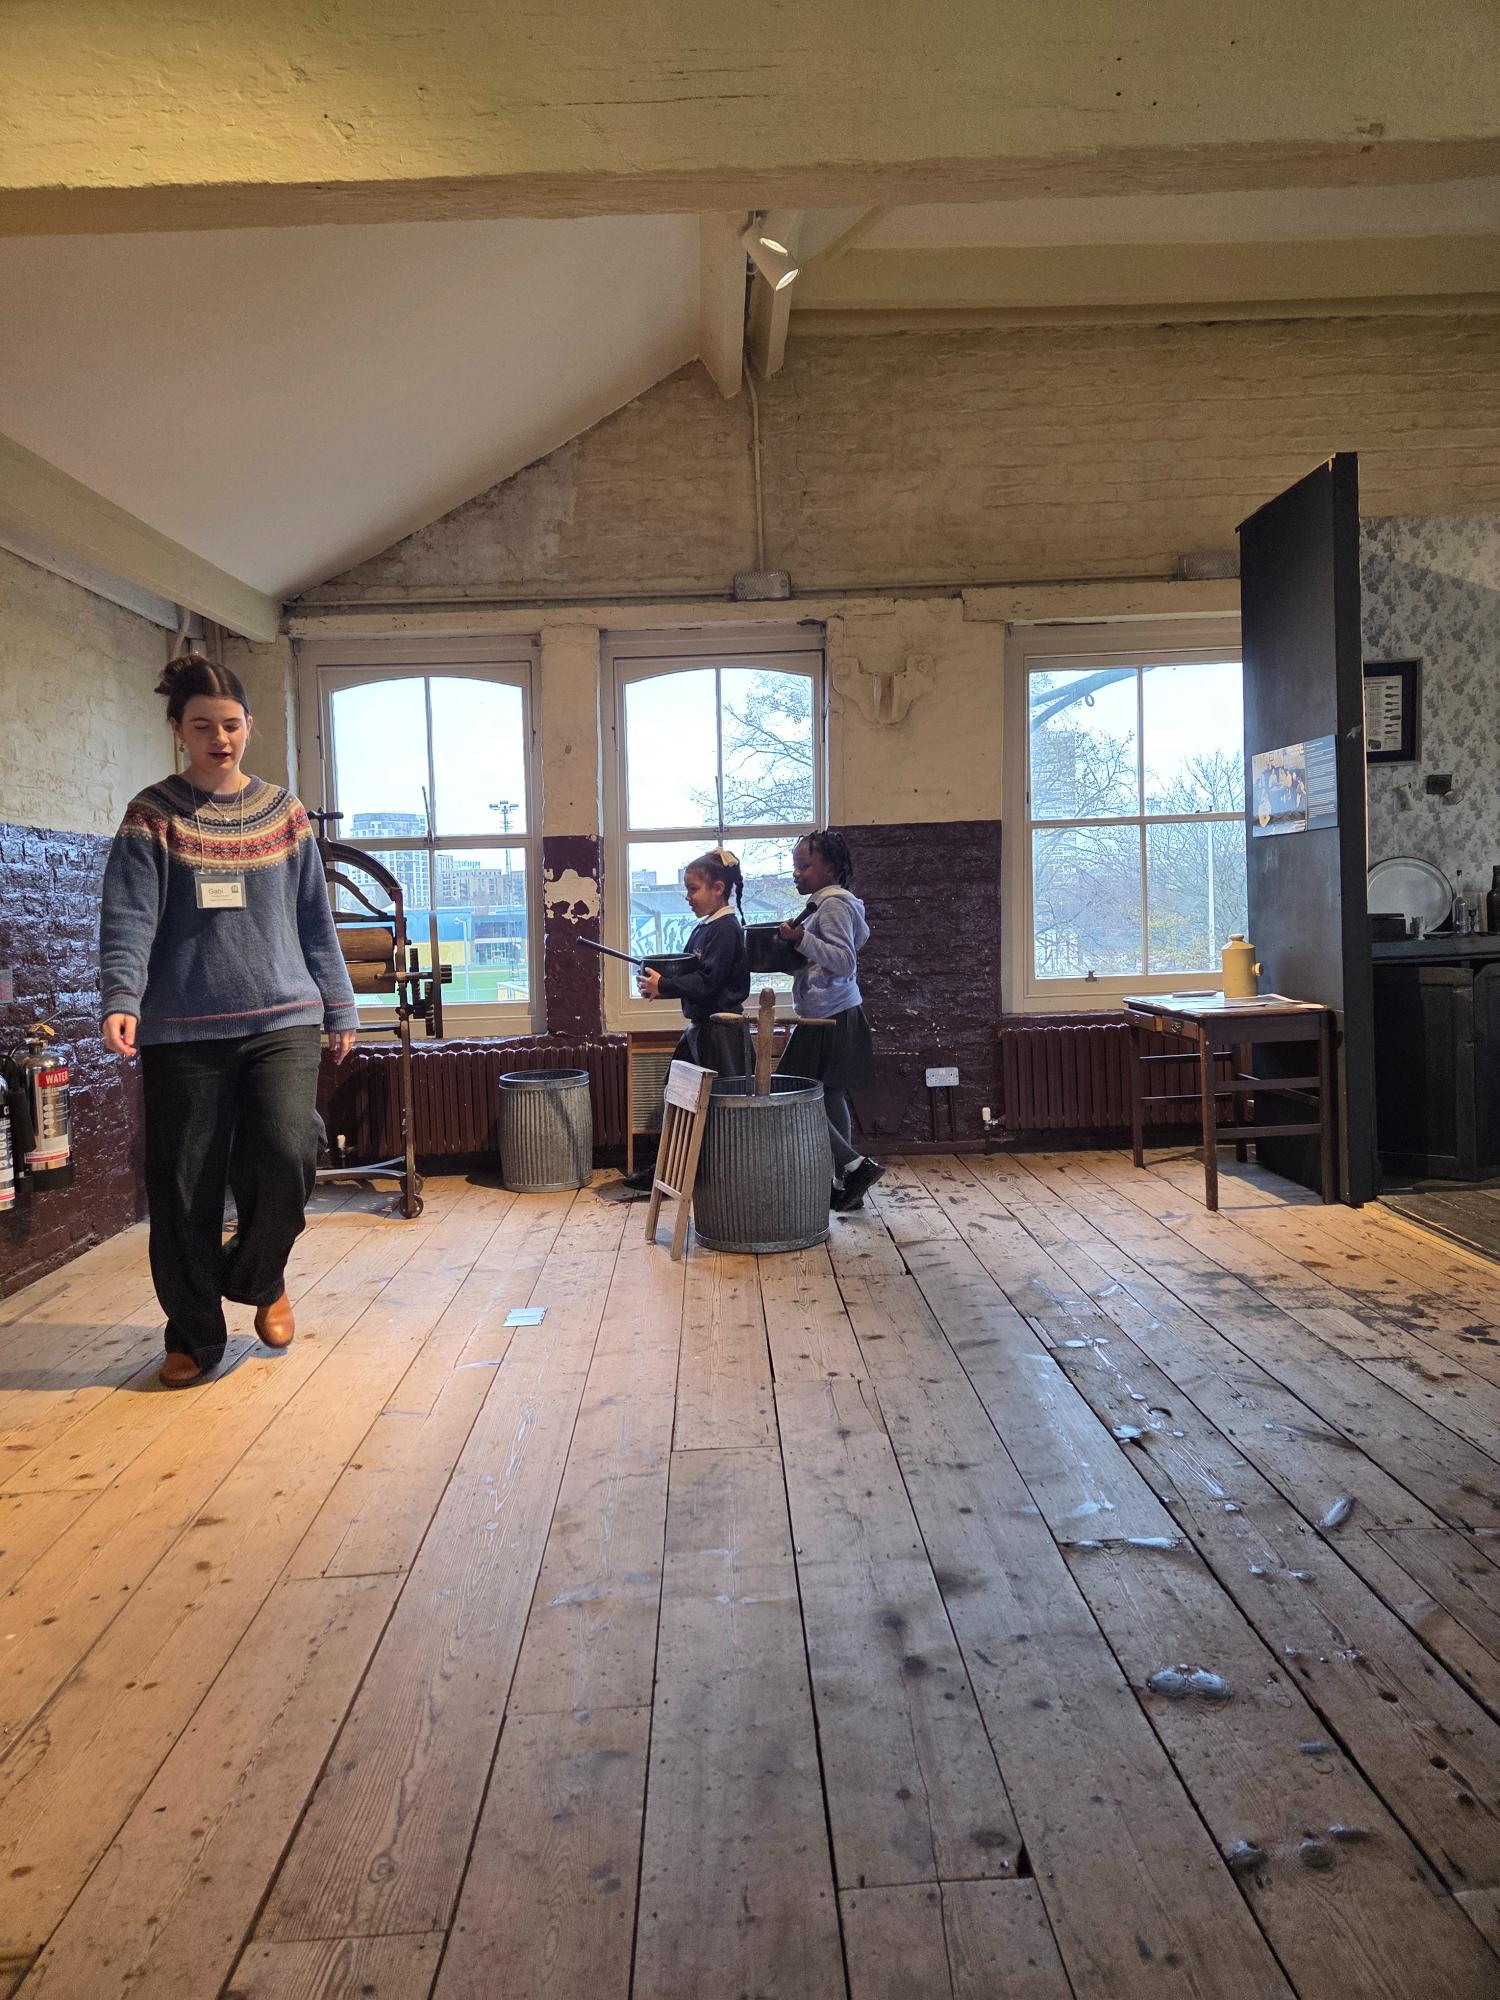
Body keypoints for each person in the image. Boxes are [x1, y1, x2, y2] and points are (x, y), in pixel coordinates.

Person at [99, 651, 359, 1388]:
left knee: (288, 1149)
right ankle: (193, 1333)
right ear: (177, 728)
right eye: (203, 726)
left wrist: (340, 1001)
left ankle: (259, 1275)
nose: (220, 738)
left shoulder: (286, 813)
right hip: (182, 1027)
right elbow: (128, 916)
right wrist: (122, 996)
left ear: (249, 725)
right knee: (184, 1181)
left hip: (285, 1017)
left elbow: (315, 919)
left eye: (232, 724)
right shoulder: (152, 815)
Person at [778, 830, 883, 1211]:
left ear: (831, 868)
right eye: (795, 866)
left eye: (805, 866)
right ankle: (844, 1185)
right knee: (832, 1093)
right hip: (836, 1012)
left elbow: (844, 960)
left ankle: (854, 1166)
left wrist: (801, 940)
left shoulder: (834, 906)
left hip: (828, 1017)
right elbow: (842, 949)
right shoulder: (826, 906)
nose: (797, 873)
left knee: (790, 1094)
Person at [636, 847, 751, 1064]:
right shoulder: (705, 927)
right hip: (704, 1029)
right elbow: (687, 970)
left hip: (722, 1035)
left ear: (718, 888)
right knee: (678, 1085)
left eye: (693, 889)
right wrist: (656, 986)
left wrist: (664, 985)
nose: (688, 897)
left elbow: (707, 981)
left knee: (718, 1088)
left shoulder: (725, 928)